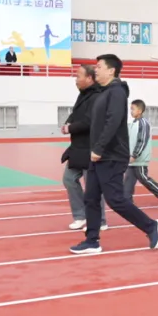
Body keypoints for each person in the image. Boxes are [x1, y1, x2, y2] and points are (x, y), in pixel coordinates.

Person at [69, 54, 158, 255]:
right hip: (99, 156)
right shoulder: (103, 92)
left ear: (111, 71)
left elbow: (112, 122)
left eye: (99, 66)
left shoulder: (117, 92)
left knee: (115, 200)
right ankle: (92, 241)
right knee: (91, 198)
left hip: (111, 156)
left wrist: (99, 148)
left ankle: (150, 226)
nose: (95, 69)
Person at [61, 64, 106, 231]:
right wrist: (68, 122)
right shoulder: (83, 95)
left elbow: (90, 121)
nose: (76, 79)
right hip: (78, 148)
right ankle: (80, 216)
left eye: (78, 76)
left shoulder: (97, 97)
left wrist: (70, 128)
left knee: (92, 186)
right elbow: (77, 114)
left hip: (91, 148)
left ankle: (100, 220)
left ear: (89, 78)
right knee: (69, 179)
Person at [124, 99, 158, 207]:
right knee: (128, 180)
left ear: (140, 110)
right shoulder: (133, 123)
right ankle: (127, 201)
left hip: (139, 159)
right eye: (130, 109)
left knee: (143, 178)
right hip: (132, 160)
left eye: (133, 109)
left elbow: (142, 140)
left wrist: (135, 154)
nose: (131, 111)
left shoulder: (143, 123)